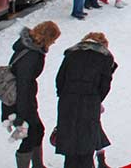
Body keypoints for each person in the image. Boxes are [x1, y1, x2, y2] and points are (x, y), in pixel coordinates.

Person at [1, 21, 61, 168]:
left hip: (20, 99)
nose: (54, 43)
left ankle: (38, 165)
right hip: (20, 101)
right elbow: (23, 85)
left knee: (37, 130)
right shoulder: (32, 55)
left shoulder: (28, 46)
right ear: (47, 38)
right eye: (53, 39)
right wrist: (22, 114)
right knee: (32, 133)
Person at [54, 32, 117, 168]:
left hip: (67, 102)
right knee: (86, 143)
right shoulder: (104, 57)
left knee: (70, 145)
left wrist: (65, 95)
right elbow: (105, 85)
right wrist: (95, 99)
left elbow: (60, 79)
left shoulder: (71, 53)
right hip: (89, 103)